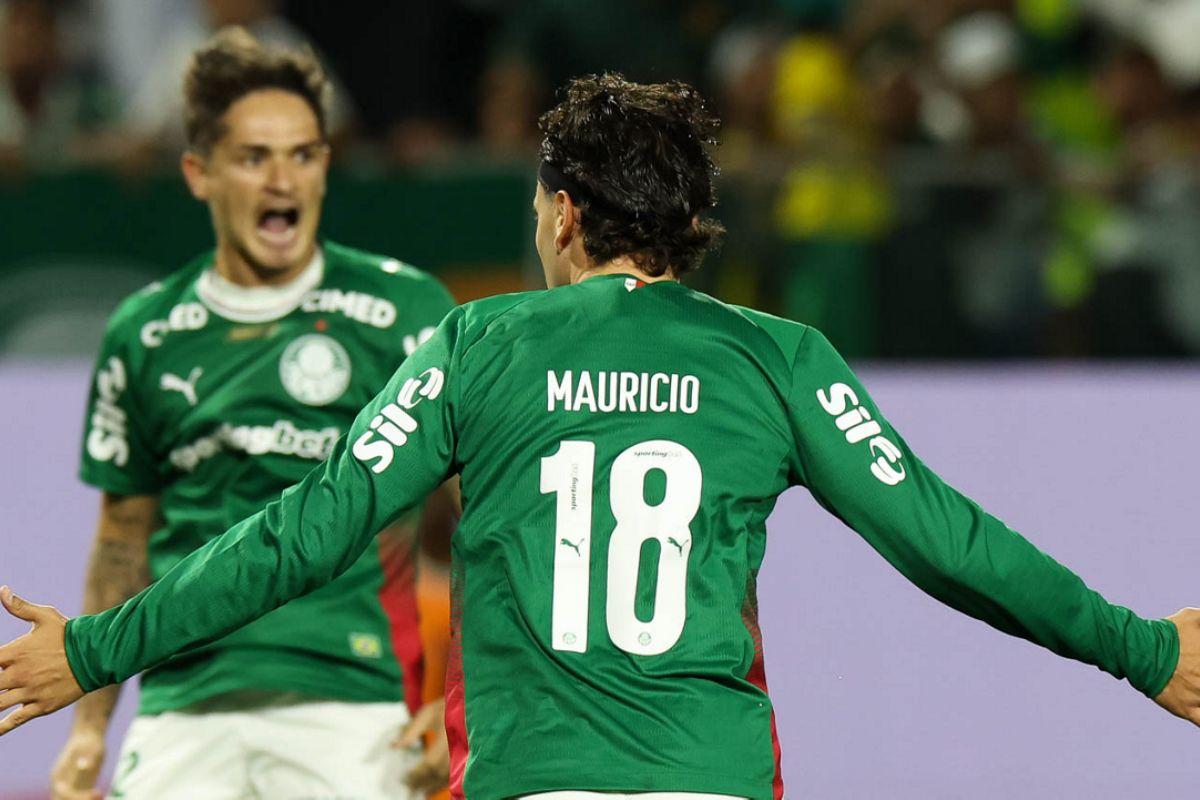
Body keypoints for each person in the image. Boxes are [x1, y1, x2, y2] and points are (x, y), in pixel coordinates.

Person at [3, 73, 1200, 800]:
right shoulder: (780, 359)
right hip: (712, 776)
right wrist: (1138, 646)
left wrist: (100, 645)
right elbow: (949, 541)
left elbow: (305, 531)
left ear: (565, 212)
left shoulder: (476, 347)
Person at [43, 28, 455, 800]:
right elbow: (121, 544)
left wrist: (454, 701)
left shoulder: (405, 312)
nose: (283, 180)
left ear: (327, 166)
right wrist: (91, 729)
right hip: (183, 706)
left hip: (355, 699)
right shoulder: (145, 332)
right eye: (255, 157)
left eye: (304, 154)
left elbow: (473, 522)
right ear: (199, 173)